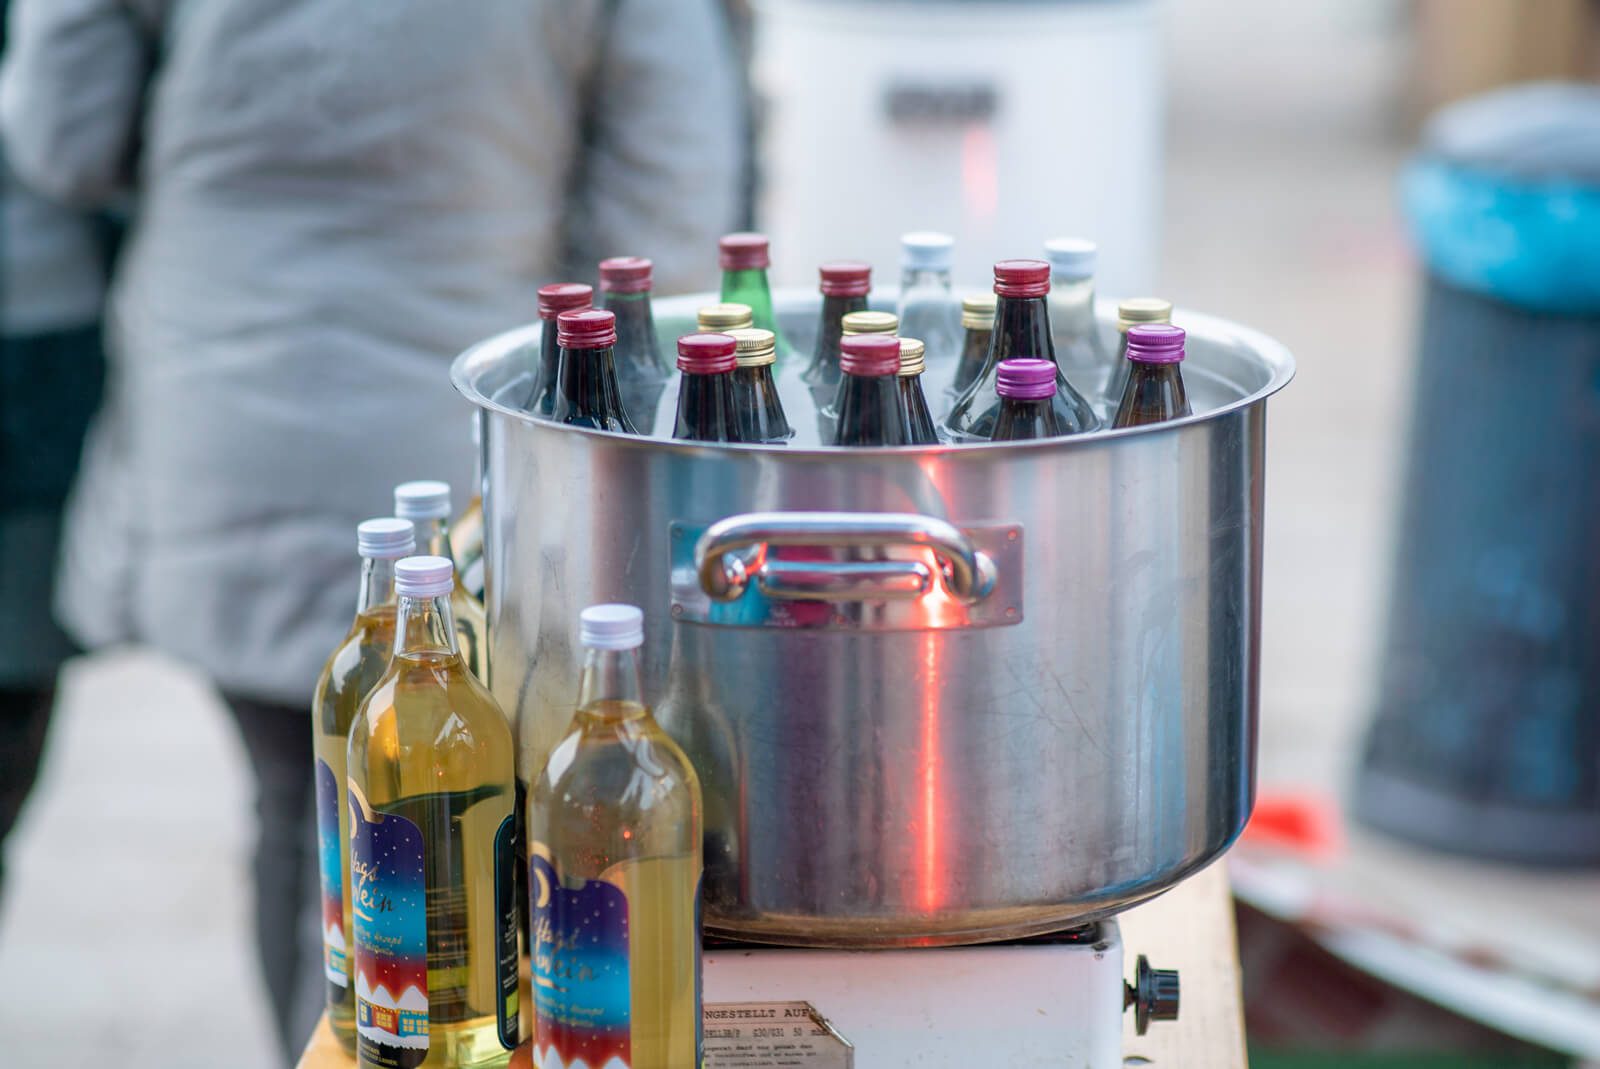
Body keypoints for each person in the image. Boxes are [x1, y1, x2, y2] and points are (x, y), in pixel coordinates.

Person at [0, 0, 745, 1061]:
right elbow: (661, 216)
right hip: (463, 423)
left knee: (301, 796)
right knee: (478, 816)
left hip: (225, 415)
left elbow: (61, 140)